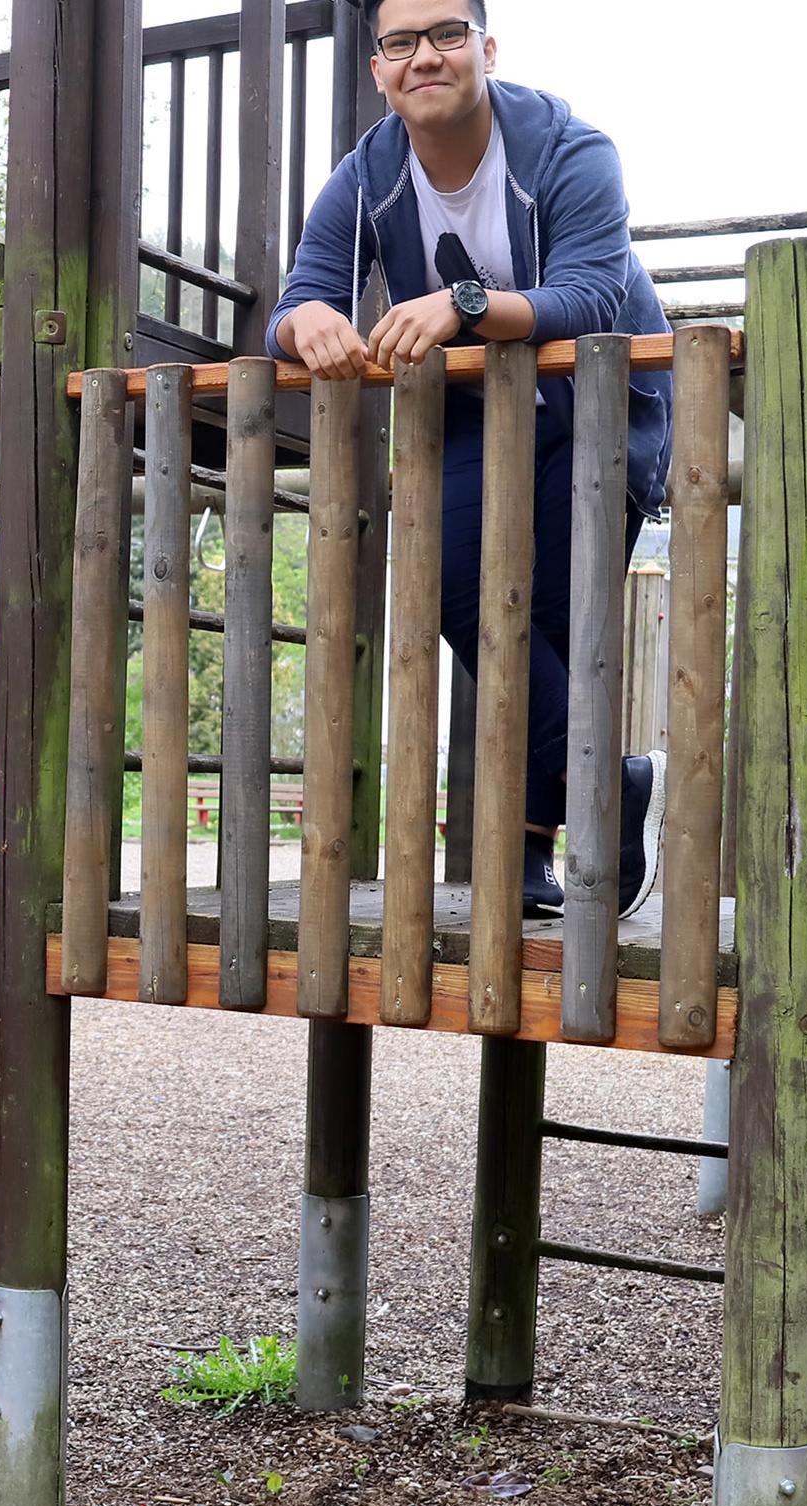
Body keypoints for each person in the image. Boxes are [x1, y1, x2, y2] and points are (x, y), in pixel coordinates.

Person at [271, 0, 674, 917]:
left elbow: (589, 293)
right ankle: (614, 786)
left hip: (602, 402)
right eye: (400, 43)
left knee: (563, 618)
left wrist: (462, 302)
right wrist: (312, 322)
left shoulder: (570, 148)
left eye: (447, 34)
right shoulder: (369, 173)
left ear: (486, 49)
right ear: (379, 70)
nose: (425, 57)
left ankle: (533, 846)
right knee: (456, 590)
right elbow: (299, 295)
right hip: (479, 416)